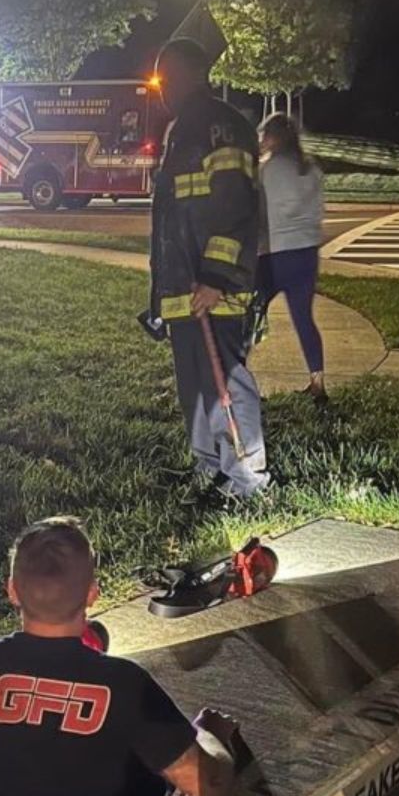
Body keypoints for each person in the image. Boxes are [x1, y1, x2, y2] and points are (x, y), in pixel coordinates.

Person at [0, 516, 243, 796]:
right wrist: (210, 733)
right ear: (92, 594)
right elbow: (209, 785)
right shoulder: (125, 683)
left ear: (12, 591)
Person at [148, 38, 268, 499]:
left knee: (225, 383)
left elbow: (235, 204)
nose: (164, 88)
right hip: (184, 287)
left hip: (214, 286)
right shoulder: (183, 129)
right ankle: (208, 471)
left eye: (170, 77)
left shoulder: (222, 126)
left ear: (195, 75)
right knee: (195, 389)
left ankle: (246, 479)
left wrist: (217, 277)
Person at [258, 114, 327, 405]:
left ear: (273, 138)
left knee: (251, 314)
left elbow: (259, 213)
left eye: (263, 136)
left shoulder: (267, 170)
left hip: (274, 254)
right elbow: (318, 211)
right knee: (303, 318)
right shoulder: (311, 169)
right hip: (307, 253)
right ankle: (317, 381)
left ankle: (236, 378)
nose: (260, 141)